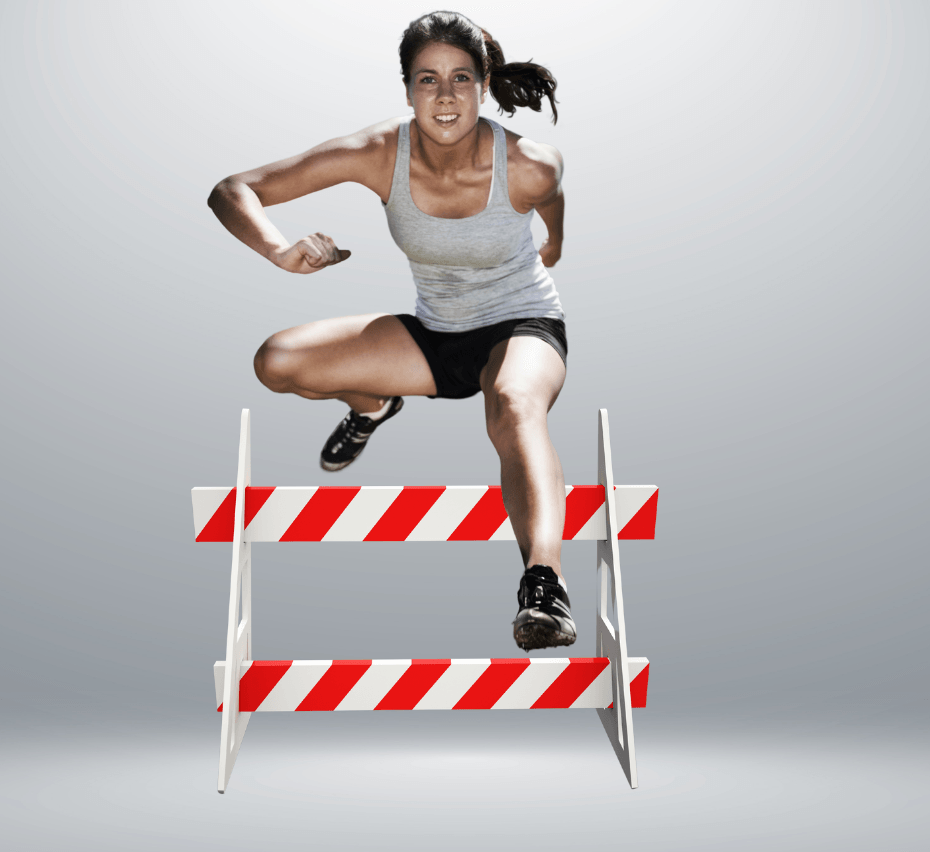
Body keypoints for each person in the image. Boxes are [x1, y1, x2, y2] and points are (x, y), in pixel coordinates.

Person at [208, 11, 573, 652]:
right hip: (434, 335)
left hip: (522, 327)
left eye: (461, 78)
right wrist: (280, 252)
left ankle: (544, 588)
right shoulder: (379, 153)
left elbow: (552, 199)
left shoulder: (529, 164)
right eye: (427, 79)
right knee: (277, 361)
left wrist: (555, 245)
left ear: (484, 84)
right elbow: (233, 190)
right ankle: (372, 404)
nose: (445, 96)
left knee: (513, 405)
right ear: (406, 90)